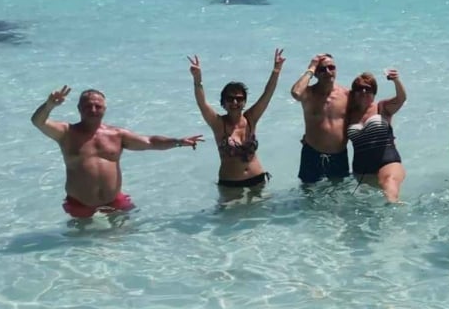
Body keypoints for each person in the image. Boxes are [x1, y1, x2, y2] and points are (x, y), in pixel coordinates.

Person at [29, 86, 202, 219]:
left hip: (114, 202)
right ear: (79, 108)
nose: (93, 110)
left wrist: (178, 142)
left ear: (105, 109)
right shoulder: (66, 132)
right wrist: (49, 105)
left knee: (125, 243)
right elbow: (38, 121)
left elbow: (150, 142)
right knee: (80, 251)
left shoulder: (117, 135)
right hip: (80, 203)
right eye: (88, 106)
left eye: (98, 106)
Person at [188, 49, 284, 197]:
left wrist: (276, 70)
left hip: (257, 181)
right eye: (230, 98)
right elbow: (202, 103)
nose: (235, 102)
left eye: (239, 99)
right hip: (231, 186)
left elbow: (267, 94)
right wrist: (197, 79)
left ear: (244, 102)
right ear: (223, 103)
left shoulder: (251, 118)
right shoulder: (218, 124)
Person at [348, 68, 408, 203]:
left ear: (374, 92)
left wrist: (396, 80)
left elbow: (401, 98)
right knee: (367, 208)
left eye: (368, 89)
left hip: (388, 161)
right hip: (361, 170)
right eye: (359, 89)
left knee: (390, 188)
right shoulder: (349, 115)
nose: (364, 91)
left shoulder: (382, 107)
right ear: (354, 93)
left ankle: (396, 215)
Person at [289, 53, 350, 184]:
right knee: (308, 196)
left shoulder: (346, 95)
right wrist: (311, 68)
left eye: (331, 67)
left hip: (339, 155)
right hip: (312, 153)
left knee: (338, 196)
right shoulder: (309, 94)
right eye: (322, 69)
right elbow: (296, 92)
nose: (328, 72)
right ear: (315, 74)